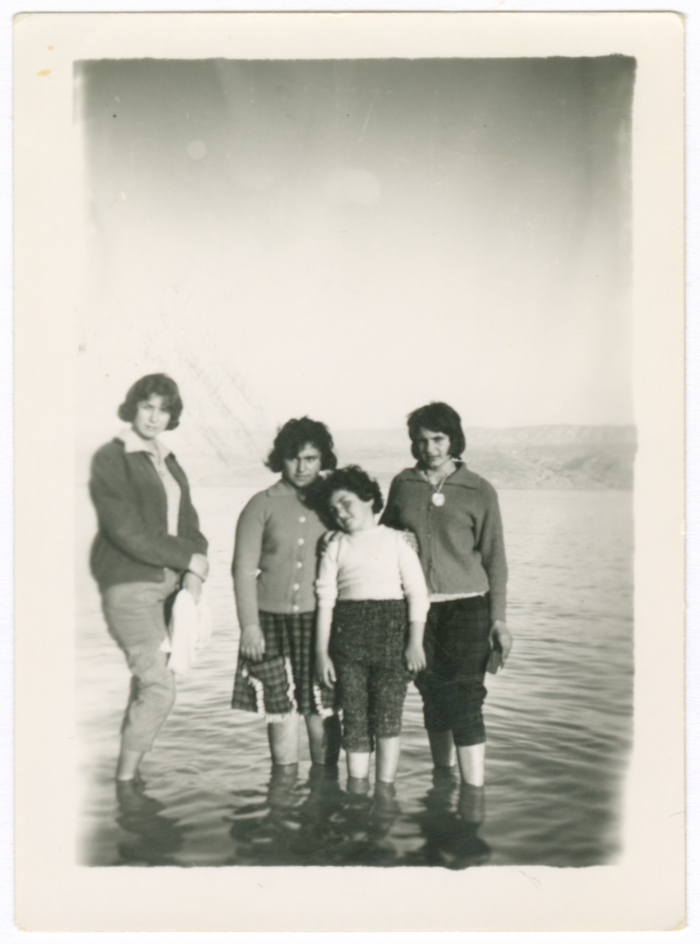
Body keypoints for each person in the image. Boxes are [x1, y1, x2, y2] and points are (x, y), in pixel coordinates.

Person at [381, 402, 512, 788]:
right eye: (421, 441)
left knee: (466, 698)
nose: (430, 448)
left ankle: (474, 794)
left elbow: (495, 558)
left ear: (453, 439)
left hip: (469, 606)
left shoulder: (479, 490)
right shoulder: (403, 484)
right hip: (416, 609)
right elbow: (382, 538)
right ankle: (443, 783)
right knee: (432, 695)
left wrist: (498, 618)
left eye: (438, 439)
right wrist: (392, 536)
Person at [89, 373, 209, 783]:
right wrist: (189, 558)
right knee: (159, 687)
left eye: (164, 409)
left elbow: (190, 524)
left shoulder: (169, 460)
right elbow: (127, 531)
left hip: (168, 587)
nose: (155, 417)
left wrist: (195, 570)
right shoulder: (113, 456)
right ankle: (126, 785)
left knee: (147, 683)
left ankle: (129, 777)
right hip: (131, 586)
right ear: (133, 407)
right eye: (147, 407)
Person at [231, 417, 341, 768]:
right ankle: (282, 798)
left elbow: (365, 537)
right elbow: (243, 570)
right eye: (295, 458)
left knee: (322, 706)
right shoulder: (261, 504)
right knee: (280, 709)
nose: (302, 467)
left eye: (311, 458)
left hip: (321, 622)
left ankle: (324, 795)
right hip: (268, 622)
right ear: (281, 459)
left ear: (323, 459)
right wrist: (249, 625)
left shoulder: (335, 502)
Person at [315, 466, 429, 786]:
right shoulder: (335, 546)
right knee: (354, 717)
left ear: (368, 499)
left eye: (346, 503)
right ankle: (356, 790)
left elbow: (418, 593)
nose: (341, 512)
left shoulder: (396, 541)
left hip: (394, 642)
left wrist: (415, 642)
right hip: (347, 645)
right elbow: (325, 601)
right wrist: (321, 653)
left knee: (388, 718)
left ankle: (386, 791)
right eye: (334, 509)